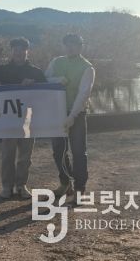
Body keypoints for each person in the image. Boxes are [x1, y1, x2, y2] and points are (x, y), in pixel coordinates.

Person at [0, 37, 47, 199]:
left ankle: (21, 185)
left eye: (22, 49)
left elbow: (47, 92)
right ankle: (7, 187)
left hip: (29, 119)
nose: (18, 52)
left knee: (25, 156)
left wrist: (34, 83)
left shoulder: (36, 72)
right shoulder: (4, 70)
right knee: (8, 155)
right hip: (8, 118)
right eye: (15, 49)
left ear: (27, 52)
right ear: (11, 51)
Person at [45, 33, 95, 200]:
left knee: (79, 151)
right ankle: (65, 183)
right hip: (56, 113)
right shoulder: (56, 62)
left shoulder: (87, 67)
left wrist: (72, 115)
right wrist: (56, 79)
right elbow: (44, 80)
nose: (70, 47)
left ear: (81, 47)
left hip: (77, 115)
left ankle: (80, 188)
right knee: (58, 151)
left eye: (74, 44)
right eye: (67, 44)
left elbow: (83, 94)